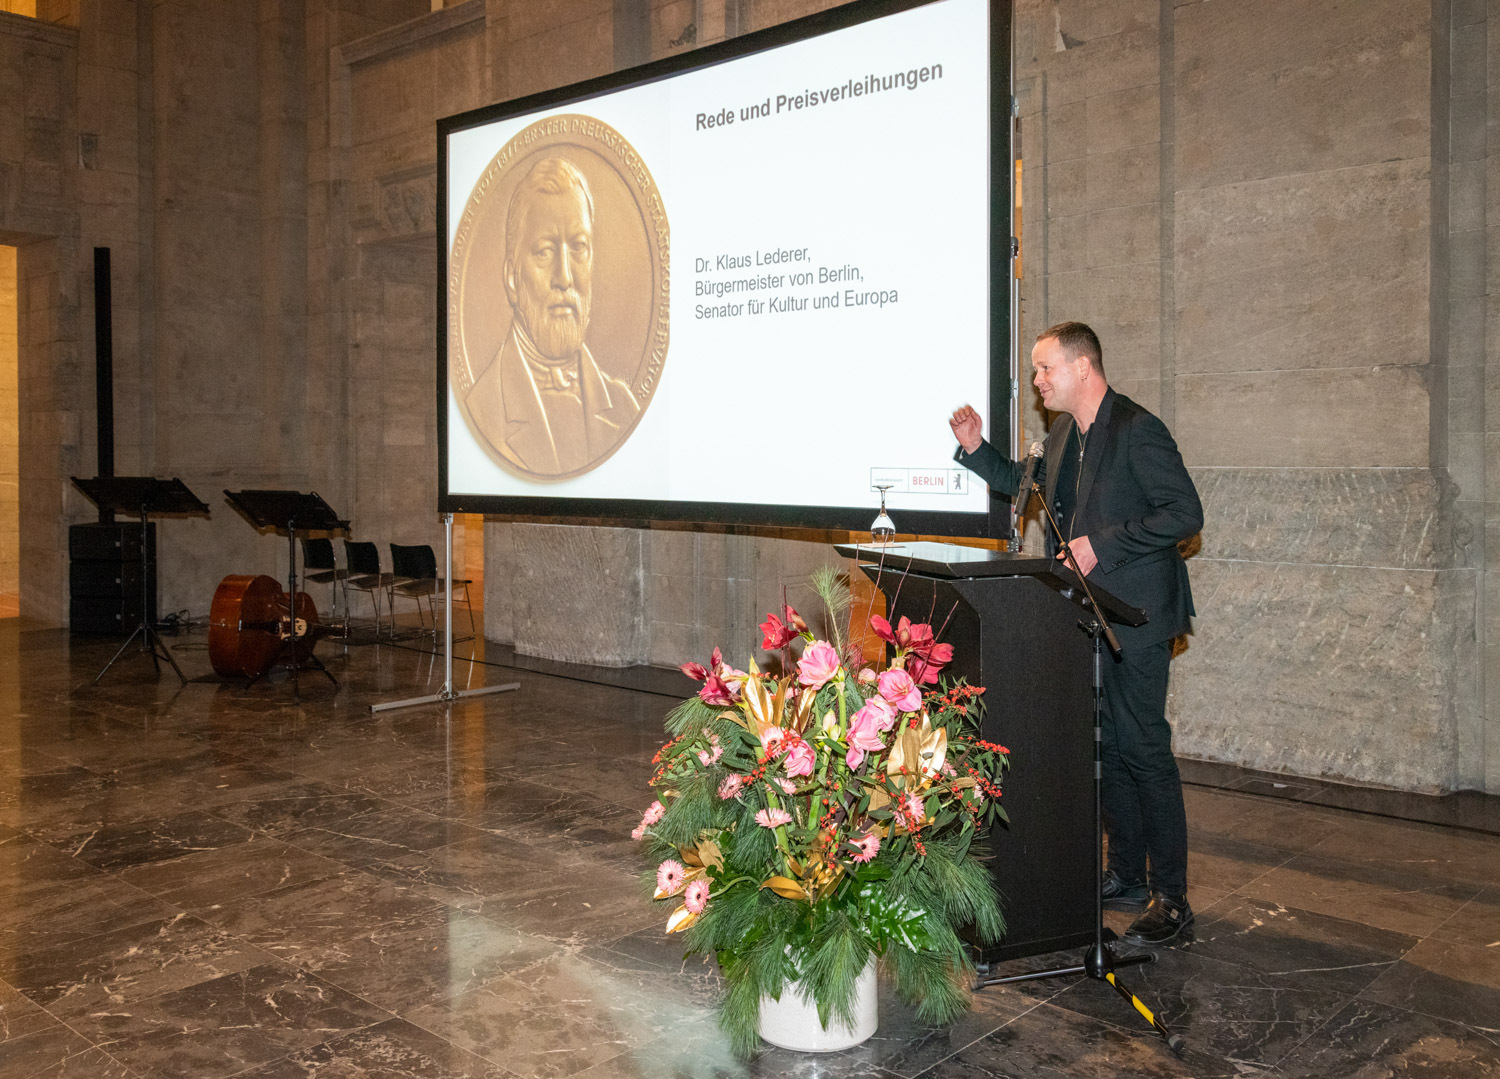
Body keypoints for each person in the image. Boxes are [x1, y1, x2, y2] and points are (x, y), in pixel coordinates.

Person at [949, 321, 1204, 946]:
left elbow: (1185, 514)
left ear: (1083, 368)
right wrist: (977, 448)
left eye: (1045, 370)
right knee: (1110, 746)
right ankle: (1124, 873)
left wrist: (1103, 546)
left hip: (1139, 617)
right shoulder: (1066, 434)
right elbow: (1023, 483)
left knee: (1144, 748)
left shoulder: (1139, 431)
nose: (1037, 383)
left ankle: (1171, 898)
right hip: (1092, 613)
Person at [465, 156, 640, 477]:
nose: (565, 277)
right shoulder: (482, 409)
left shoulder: (623, 408)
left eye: (579, 248)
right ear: (512, 278)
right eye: (544, 251)